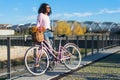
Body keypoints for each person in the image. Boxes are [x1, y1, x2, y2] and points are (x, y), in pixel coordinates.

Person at [35, 3, 54, 70]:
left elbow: (47, 25)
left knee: (50, 49)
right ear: (44, 8)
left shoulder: (48, 16)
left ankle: (50, 64)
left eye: (49, 7)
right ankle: (37, 62)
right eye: (47, 7)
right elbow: (38, 24)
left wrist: (51, 29)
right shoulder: (41, 15)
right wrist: (37, 29)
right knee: (46, 48)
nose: (49, 9)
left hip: (50, 32)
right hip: (45, 32)